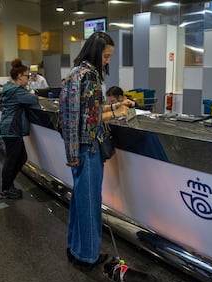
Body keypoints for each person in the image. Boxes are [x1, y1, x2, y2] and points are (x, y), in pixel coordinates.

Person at [59, 32, 132, 268]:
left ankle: (75, 247)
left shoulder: (76, 72)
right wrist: (118, 112)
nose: (108, 61)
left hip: (76, 147)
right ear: (96, 52)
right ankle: (87, 256)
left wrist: (115, 105)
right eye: (107, 56)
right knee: (90, 202)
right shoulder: (90, 76)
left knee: (80, 201)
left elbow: (87, 109)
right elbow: (92, 118)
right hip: (89, 147)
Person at [0, 59, 40, 199]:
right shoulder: (16, 91)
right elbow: (33, 100)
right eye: (27, 76)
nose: (28, 79)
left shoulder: (10, 88)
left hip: (10, 128)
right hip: (11, 128)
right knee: (12, 160)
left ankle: (9, 185)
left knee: (21, 157)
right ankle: (5, 189)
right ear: (20, 76)